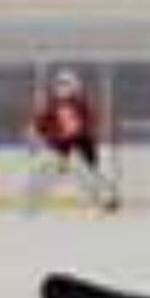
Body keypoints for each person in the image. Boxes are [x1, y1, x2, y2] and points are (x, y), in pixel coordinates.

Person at [24, 69, 119, 214]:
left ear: (75, 86)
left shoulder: (81, 104)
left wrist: (93, 138)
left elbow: (91, 123)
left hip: (81, 143)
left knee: (90, 174)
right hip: (59, 145)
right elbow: (37, 126)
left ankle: (104, 201)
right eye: (60, 84)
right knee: (42, 172)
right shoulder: (50, 106)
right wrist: (34, 138)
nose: (62, 88)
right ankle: (32, 205)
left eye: (66, 84)